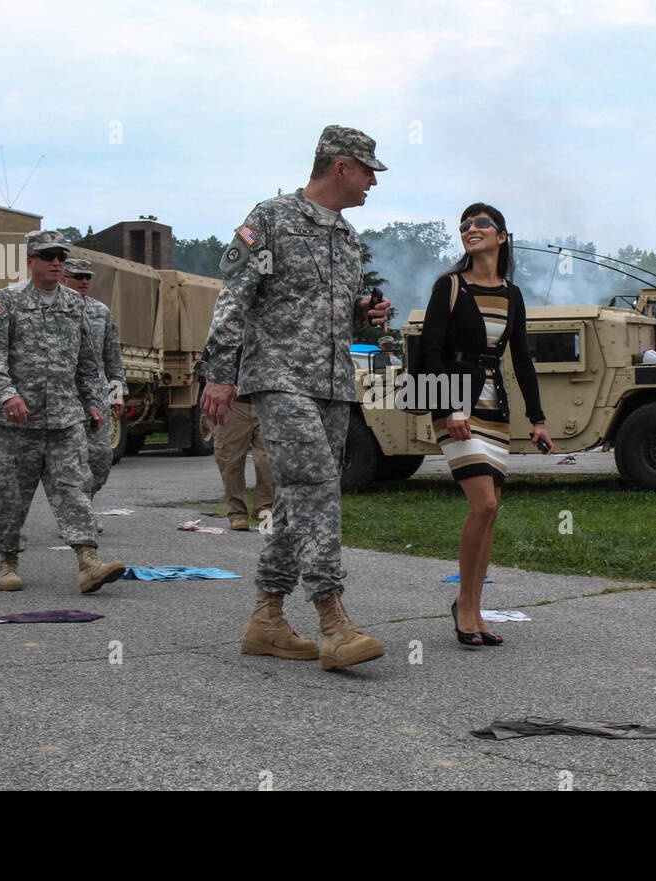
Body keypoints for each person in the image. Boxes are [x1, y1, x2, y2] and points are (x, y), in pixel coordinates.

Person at [201, 124, 392, 671]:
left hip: (331, 384)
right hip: (278, 377)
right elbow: (234, 299)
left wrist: (365, 314)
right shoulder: (272, 217)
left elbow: (323, 307)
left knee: (293, 500)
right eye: (367, 172)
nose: (372, 184)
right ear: (340, 167)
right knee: (314, 488)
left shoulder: (349, 238)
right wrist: (218, 373)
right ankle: (333, 620)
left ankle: (266, 619)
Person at [418, 203, 553, 647]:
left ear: (502, 236)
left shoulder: (512, 294)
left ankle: (472, 609)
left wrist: (538, 418)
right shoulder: (450, 286)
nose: (470, 230)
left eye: (481, 224)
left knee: (491, 510)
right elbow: (431, 353)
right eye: (464, 226)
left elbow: (522, 359)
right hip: (456, 408)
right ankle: (466, 606)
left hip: (496, 411)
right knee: (484, 505)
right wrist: (453, 405)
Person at [0, 230, 124, 594]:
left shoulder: (76, 305)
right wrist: (7, 394)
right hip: (17, 422)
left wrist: (94, 400)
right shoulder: (5, 301)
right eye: (47, 256)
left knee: (74, 488)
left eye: (60, 256)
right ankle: (8, 560)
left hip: (64, 419)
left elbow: (88, 361)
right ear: (31, 261)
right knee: (12, 494)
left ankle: (88, 562)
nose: (56, 262)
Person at [61, 257, 125, 533]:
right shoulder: (54, 309)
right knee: (68, 459)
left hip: (96, 395)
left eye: (87, 277)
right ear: (64, 278)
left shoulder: (100, 312)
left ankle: (85, 501)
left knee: (100, 457)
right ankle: (74, 515)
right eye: (78, 277)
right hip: (63, 395)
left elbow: (112, 355)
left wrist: (117, 392)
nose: (84, 281)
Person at [202, 346, 274, 532]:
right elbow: (208, 358)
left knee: (268, 459)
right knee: (230, 459)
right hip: (234, 402)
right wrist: (218, 381)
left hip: (267, 400)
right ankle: (237, 513)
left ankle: (265, 510)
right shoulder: (227, 325)